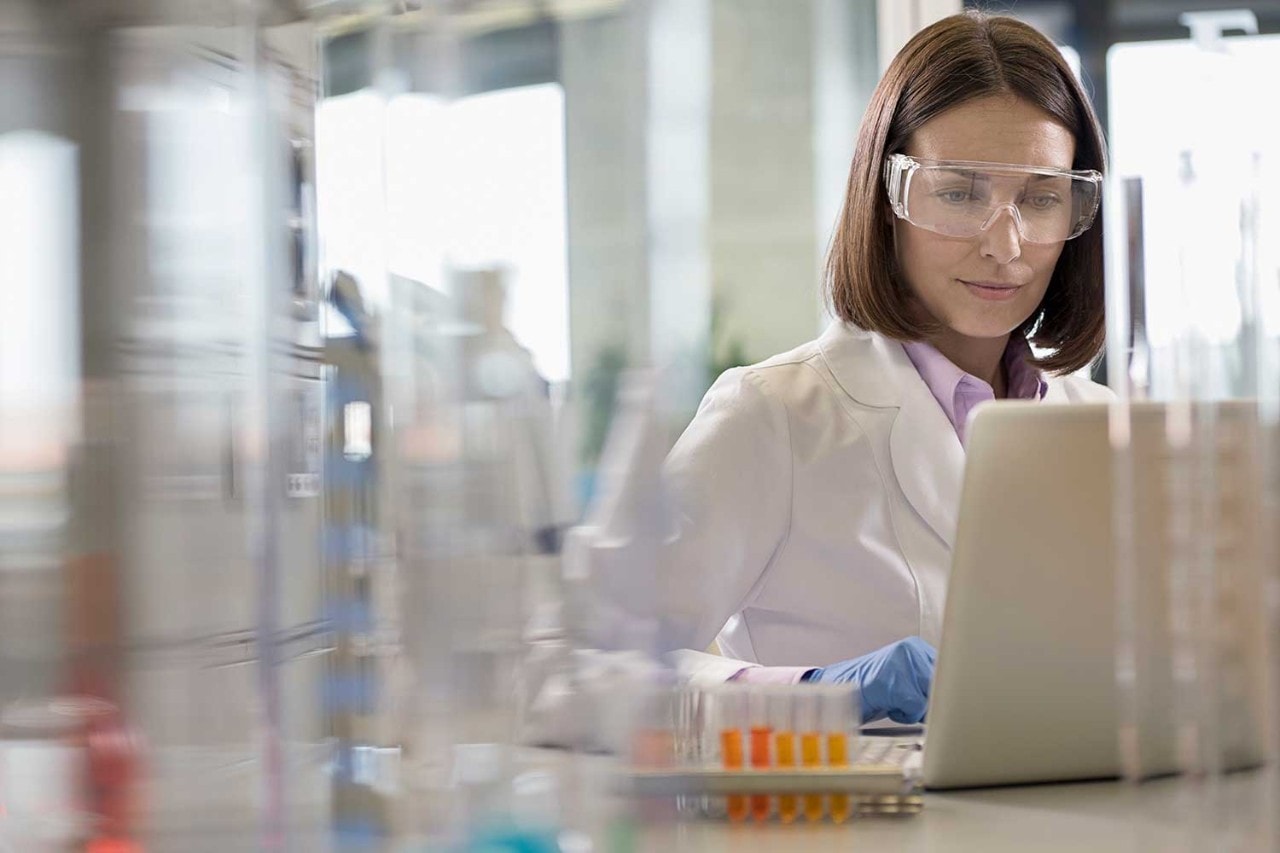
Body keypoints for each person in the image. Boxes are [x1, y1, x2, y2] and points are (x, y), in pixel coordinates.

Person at [643, 11, 1114, 724]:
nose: (1005, 244)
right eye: (960, 192)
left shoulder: (1105, 426)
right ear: (886, 199)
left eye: (1040, 197)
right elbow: (579, 665)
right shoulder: (775, 415)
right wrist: (811, 693)